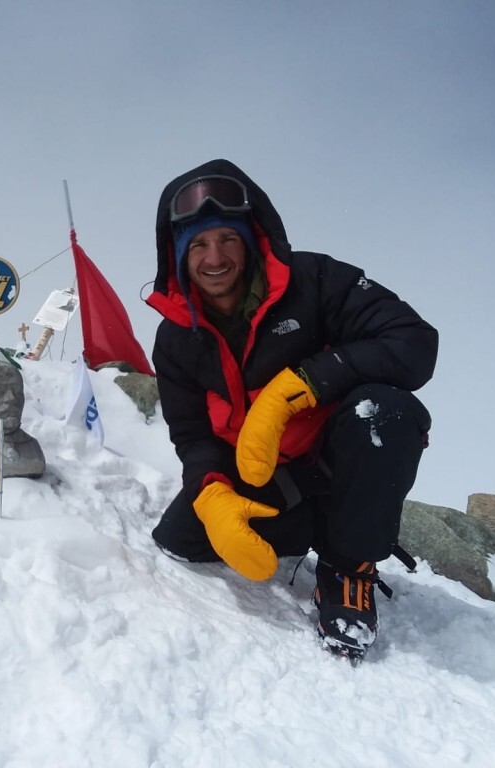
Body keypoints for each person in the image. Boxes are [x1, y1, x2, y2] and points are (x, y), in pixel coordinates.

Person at [146, 159, 437, 658]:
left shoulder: (316, 280)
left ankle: (349, 567)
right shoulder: (175, 338)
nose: (214, 257)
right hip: (269, 478)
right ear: (177, 255)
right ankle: (323, 530)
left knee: (383, 412)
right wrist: (213, 496)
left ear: (251, 239)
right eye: (197, 245)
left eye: (227, 240)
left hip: (335, 460)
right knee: (180, 539)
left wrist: (305, 383)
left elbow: (414, 343)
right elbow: (192, 436)